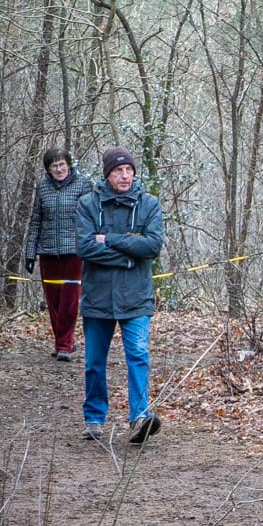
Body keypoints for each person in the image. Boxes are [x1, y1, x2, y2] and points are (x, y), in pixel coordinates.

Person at [75, 146, 164, 445]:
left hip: (136, 297)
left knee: (138, 355)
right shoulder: (88, 204)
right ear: (107, 175)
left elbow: (151, 247)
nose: (124, 176)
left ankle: (140, 417)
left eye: (129, 170)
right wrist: (128, 255)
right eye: (118, 171)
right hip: (98, 297)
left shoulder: (149, 204)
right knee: (94, 362)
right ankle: (94, 418)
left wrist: (110, 239)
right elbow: (86, 247)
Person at [23, 147, 93, 360]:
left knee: (69, 300)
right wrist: (30, 253)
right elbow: (36, 220)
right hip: (48, 251)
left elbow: (90, 218)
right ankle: (62, 340)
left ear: (69, 165)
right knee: (53, 300)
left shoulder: (83, 185)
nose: (59, 169)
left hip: (75, 251)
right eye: (54, 165)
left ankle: (64, 345)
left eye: (62, 164)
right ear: (48, 169)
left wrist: (91, 248)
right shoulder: (43, 187)